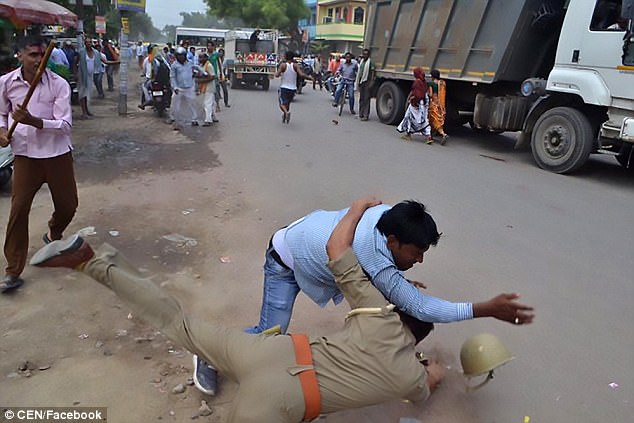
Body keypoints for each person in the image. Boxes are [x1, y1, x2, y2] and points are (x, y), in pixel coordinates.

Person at [29, 197, 495, 421]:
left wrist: (357, 206)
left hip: (271, 356)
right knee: (266, 325)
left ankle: (90, 261)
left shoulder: (373, 312)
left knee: (179, 321)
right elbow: (428, 379)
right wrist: (433, 368)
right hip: (281, 400)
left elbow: (339, 247)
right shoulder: (408, 378)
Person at [194, 199, 537, 395]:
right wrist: (485, 309)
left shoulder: (384, 216)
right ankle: (209, 355)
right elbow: (421, 308)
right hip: (286, 259)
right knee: (270, 335)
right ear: (391, 241)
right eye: (416, 252)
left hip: (309, 244)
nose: (419, 261)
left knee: (389, 301)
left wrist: (398, 289)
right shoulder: (373, 257)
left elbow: (390, 290)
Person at [0, 35, 78, 293]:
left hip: (57, 155)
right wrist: (2, 131)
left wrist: (33, 120)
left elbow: (65, 126)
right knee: (18, 210)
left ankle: (54, 233)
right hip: (26, 156)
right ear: (19, 56)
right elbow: (1, 112)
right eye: (33, 55)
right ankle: (13, 270)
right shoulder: (6, 83)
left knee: (68, 206)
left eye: (43, 55)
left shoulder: (59, 84)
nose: (39, 60)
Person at [275, 51, 313, 124]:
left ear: (286, 57)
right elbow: (301, 74)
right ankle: (285, 115)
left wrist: (277, 74)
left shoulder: (283, 65)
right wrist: (310, 78)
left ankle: (286, 112)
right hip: (293, 89)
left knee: (282, 104)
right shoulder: (295, 65)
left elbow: (277, 74)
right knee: (288, 103)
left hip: (284, 88)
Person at [397, 67, 433, 144]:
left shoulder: (417, 82)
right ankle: (428, 136)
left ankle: (408, 134)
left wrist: (412, 100)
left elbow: (418, 95)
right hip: (423, 104)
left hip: (416, 104)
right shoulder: (424, 82)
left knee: (409, 117)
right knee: (424, 120)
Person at [169, 46, 198, 130]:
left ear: (185, 55)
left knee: (192, 103)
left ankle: (194, 119)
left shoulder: (190, 63)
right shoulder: (174, 65)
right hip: (179, 88)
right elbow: (172, 77)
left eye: (182, 55)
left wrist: (203, 72)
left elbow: (196, 68)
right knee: (175, 105)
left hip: (189, 87)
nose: (181, 57)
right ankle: (175, 120)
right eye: (179, 55)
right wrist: (174, 87)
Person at [197, 53, 218, 126]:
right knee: (211, 103)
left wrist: (202, 81)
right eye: (199, 57)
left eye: (201, 58)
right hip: (204, 87)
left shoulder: (209, 66)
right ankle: (213, 117)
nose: (200, 59)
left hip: (209, 87)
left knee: (207, 104)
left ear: (206, 58)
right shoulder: (201, 66)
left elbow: (213, 77)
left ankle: (208, 120)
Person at [428, 69, 449, 144]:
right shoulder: (442, 83)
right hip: (441, 105)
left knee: (433, 119)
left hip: (434, 104)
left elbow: (430, 94)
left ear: (433, 76)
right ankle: (431, 135)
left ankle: (443, 134)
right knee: (438, 119)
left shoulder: (431, 84)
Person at [355, 48, 375, 121]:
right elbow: (359, 72)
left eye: (366, 54)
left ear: (368, 55)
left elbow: (373, 72)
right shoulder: (362, 62)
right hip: (361, 82)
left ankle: (366, 115)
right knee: (361, 99)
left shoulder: (370, 62)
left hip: (367, 82)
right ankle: (361, 114)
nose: (364, 55)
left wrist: (372, 82)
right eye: (364, 54)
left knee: (366, 99)